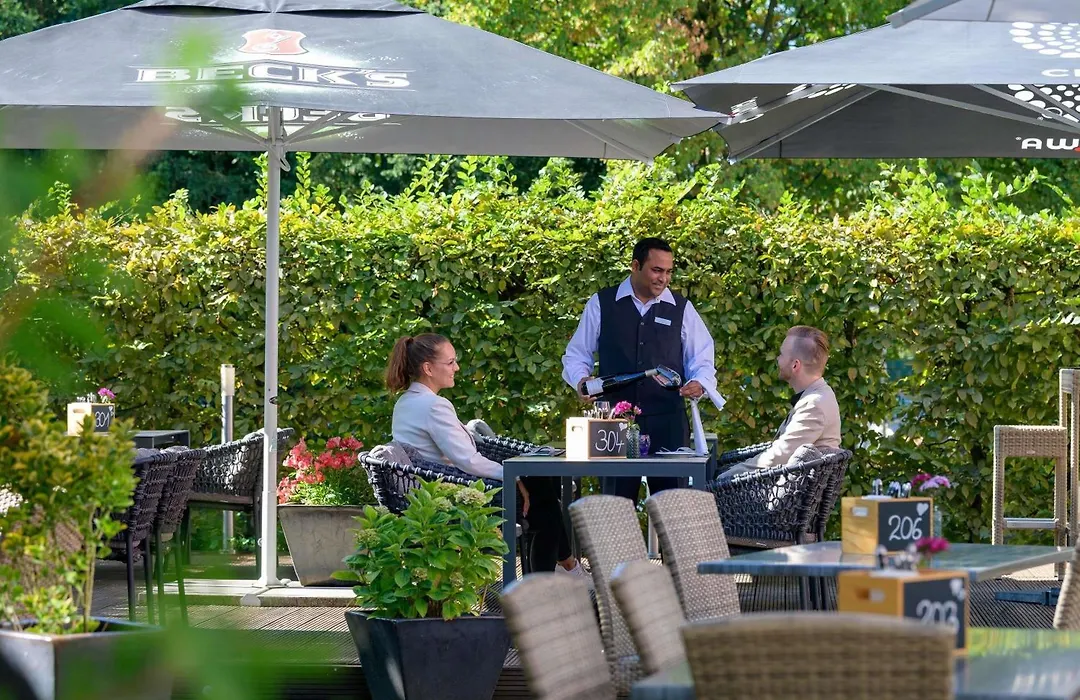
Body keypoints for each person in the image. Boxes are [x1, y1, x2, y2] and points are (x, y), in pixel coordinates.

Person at [386, 333, 589, 581]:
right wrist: (513, 476)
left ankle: (565, 569)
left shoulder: (405, 402)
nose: (456, 368)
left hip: (432, 488)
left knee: (542, 490)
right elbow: (467, 460)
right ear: (428, 369)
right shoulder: (433, 406)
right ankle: (554, 580)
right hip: (454, 495)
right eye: (450, 362)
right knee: (544, 503)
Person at [561, 237, 719, 500]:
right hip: (613, 424)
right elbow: (576, 354)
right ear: (635, 266)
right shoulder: (601, 303)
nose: (663, 278)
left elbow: (702, 357)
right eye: (657, 270)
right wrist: (581, 380)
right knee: (615, 507)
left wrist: (699, 382)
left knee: (673, 506)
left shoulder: (682, 308)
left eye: (668, 271)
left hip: (668, 421)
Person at [723, 325, 842, 477]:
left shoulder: (815, 404)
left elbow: (779, 456)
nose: (778, 359)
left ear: (795, 365)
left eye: (781, 354)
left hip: (788, 490)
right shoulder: (818, 395)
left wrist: (724, 477)